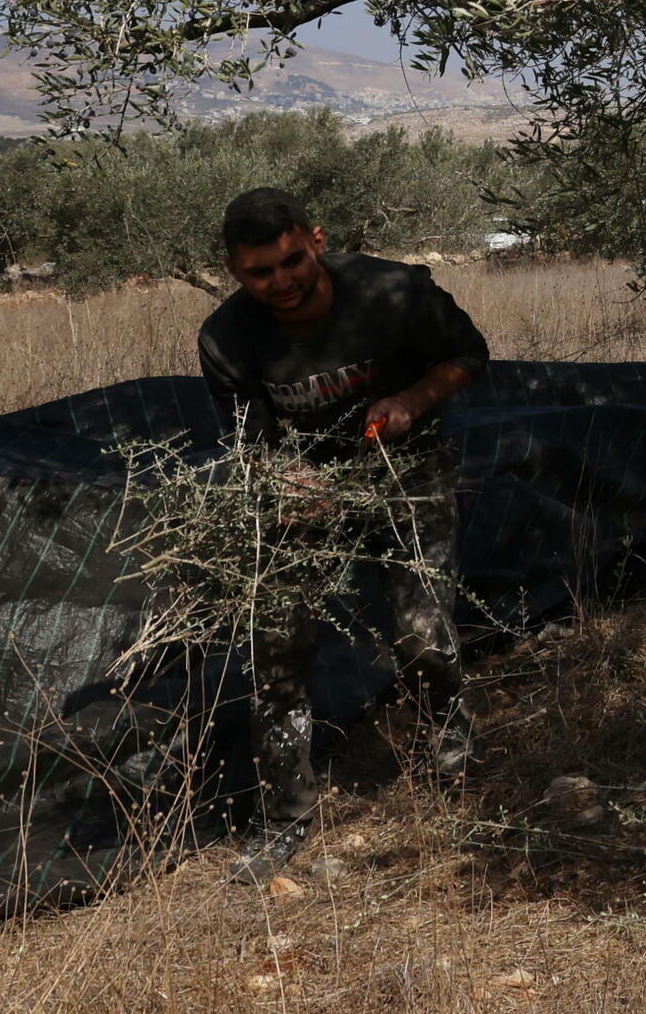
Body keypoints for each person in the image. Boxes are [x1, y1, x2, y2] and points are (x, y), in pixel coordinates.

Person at [197, 187, 490, 882]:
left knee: (422, 630)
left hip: (405, 467)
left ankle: (454, 766)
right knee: (278, 646)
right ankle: (285, 818)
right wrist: (284, 480)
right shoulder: (226, 338)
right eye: (260, 273)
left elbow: (470, 355)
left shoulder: (392, 290)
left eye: (292, 261)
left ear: (317, 241)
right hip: (304, 496)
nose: (282, 282)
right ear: (236, 273)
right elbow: (247, 445)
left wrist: (413, 401)